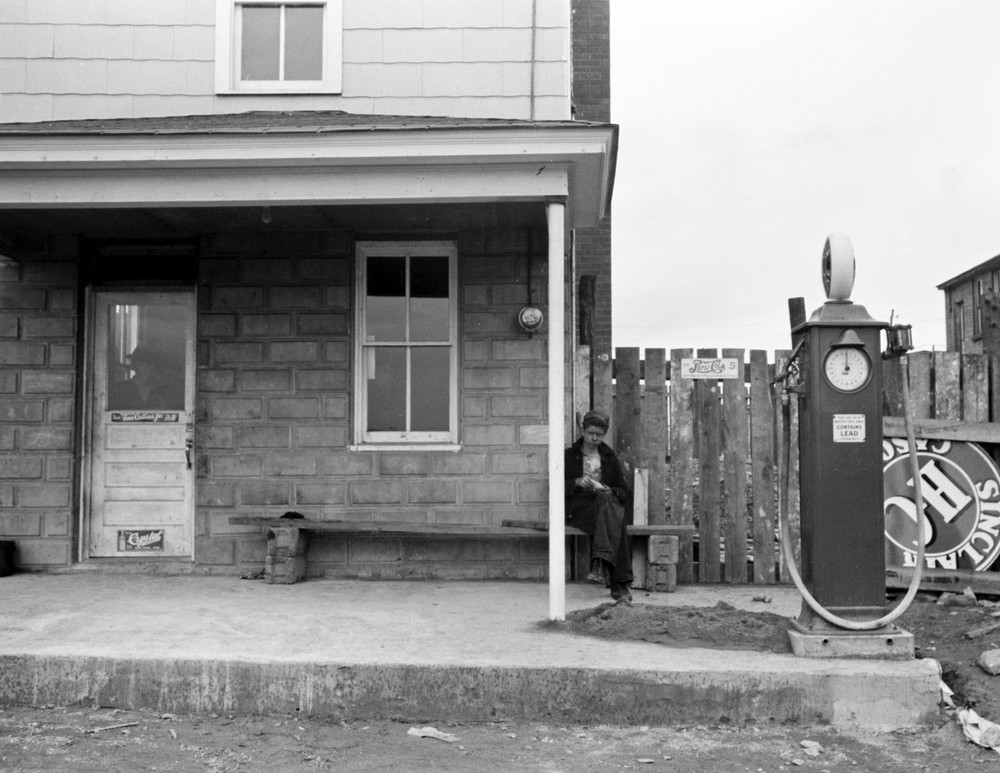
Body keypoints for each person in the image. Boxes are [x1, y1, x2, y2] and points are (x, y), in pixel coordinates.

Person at [564, 410, 633, 603]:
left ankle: (601, 565)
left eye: (599, 435)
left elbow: (624, 492)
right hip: (579, 510)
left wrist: (609, 490)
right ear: (583, 431)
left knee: (607, 505)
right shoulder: (569, 456)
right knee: (615, 519)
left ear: (604, 435)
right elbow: (554, 488)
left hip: (604, 507)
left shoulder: (609, 458)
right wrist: (576, 482)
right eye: (590, 433)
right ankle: (619, 583)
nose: (594, 438)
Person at [108, 344, 184, 410]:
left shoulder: (161, 389)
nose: (147, 368)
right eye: (142, 364)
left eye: (150, 365)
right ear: (134, 365)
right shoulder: (121, 388)